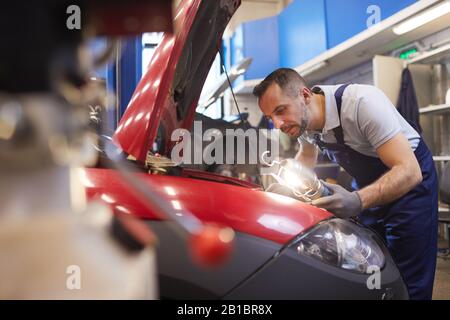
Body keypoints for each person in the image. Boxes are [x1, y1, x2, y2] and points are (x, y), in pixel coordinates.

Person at [253, 68, 438, 300]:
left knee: (409, 278)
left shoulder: (361, 103)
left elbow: (410, 171)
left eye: (281, 110)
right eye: (271, 117)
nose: (278, 124)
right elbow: (307, 157)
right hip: (368, 186)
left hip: (410, 186)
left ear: (305, 96)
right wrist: (287, 189)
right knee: (372, 267)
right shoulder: (303, 122)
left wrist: (358, 200)